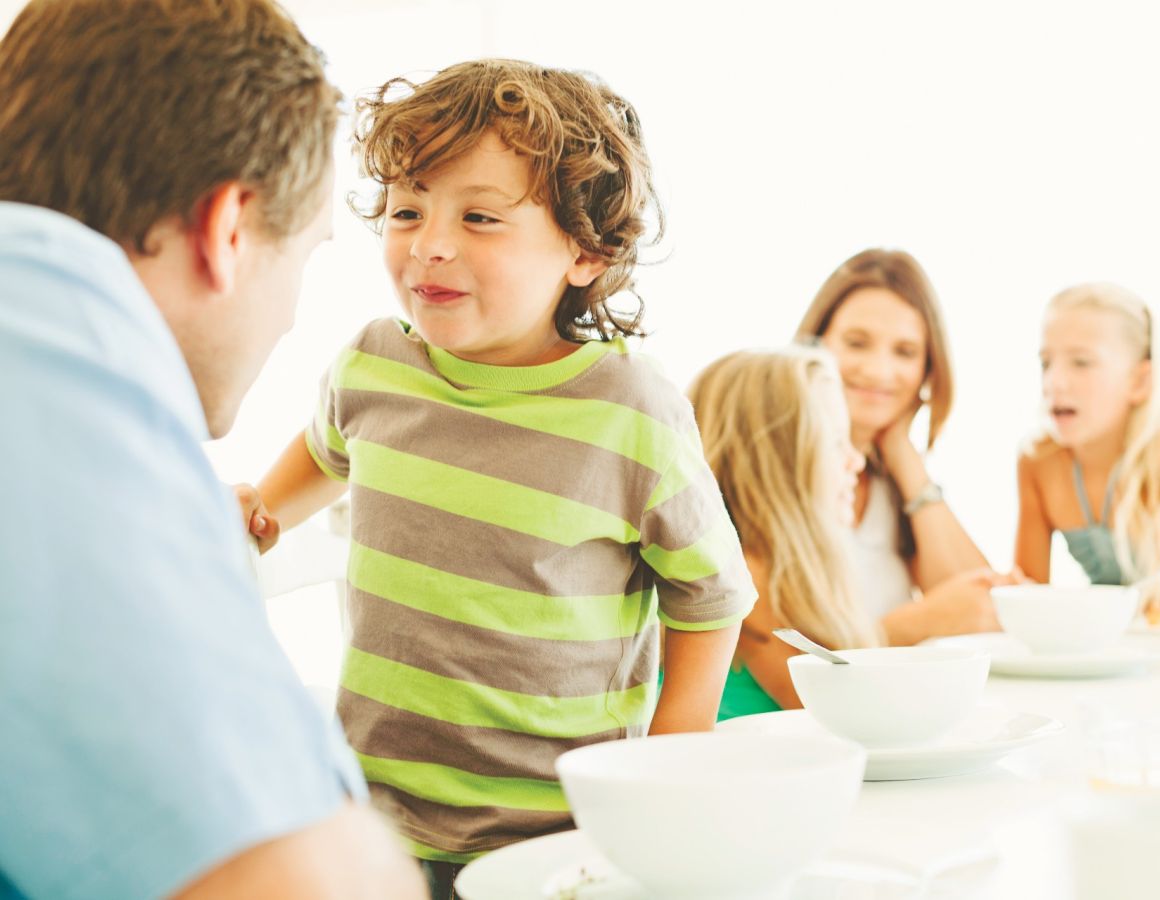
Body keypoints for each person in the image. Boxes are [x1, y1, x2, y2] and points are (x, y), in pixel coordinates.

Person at [238, 59, 755, 896]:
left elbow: (713, 593)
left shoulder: (629, 409)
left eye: (480, 217)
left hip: (559, 837)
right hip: (378, 821)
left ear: (585, 252)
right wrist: (262, 508)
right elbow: (325, 450)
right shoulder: (373, 364)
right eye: (407, 210)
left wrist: (671, 751)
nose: (430, 244)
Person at [0, 1, 426, 898]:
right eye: (308, 254)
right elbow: (308, 882)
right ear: (228, 228)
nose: (295, 313)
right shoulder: (42, 334)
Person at [796, 248, 1008, 646]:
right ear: (815, 345)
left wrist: (903, 454)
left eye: (905, 352)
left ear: (928, 370)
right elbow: (781, 658)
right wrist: (909, 626)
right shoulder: (767, 470)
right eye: (857, 343)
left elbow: (981, 608)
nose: (878, 370)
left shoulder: (891, 484)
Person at [689, 345, 881, 718]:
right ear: (777, 464)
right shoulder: (751, 581)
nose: (856, 460)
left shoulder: (741, 563)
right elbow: (854, 719)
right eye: (837, 441)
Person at [1015, 282, 1160, 616]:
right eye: (1046, 362)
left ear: (1139, 382)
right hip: (1107, 644)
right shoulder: (1037, 461)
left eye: (1081, 363)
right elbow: (1027, 597)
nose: (1054, 381)